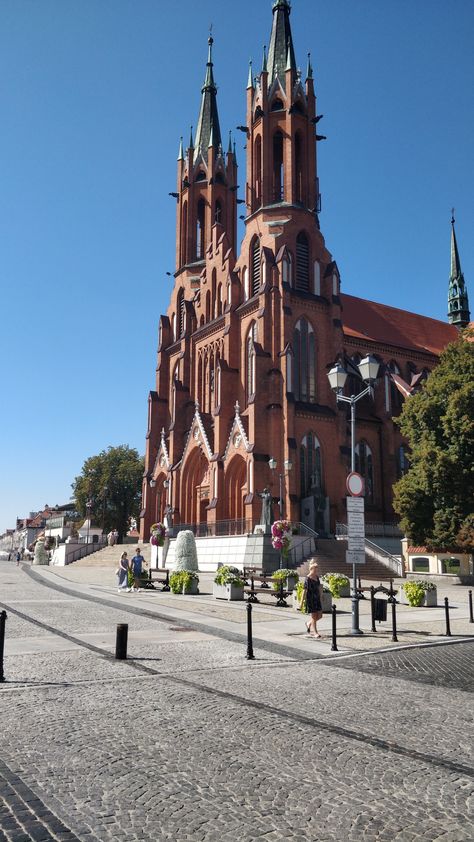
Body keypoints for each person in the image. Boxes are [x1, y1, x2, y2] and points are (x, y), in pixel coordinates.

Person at [301, 561, 323, 639]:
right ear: (311, 568)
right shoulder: (308, 578)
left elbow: (319, 587)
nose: (316, 570)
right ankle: (315, 633)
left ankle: (309, 623)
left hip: (317, 598)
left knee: (320, 616)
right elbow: (304, 590)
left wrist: (321, 596)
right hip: (311, 599)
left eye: (317, 568)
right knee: (314, 616)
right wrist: (301, 602)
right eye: (315, 568)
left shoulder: (317, 577)